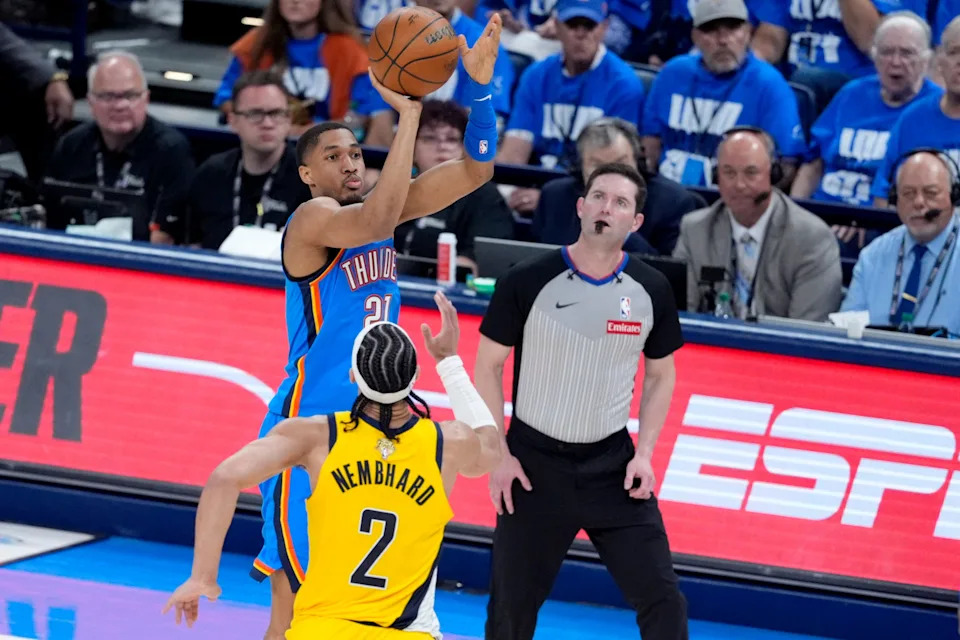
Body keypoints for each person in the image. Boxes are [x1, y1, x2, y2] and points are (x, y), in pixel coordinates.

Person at [245, 14, 502, 640]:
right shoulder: (313, 220)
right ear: (307, 173)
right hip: (309, 425)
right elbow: (378, 217)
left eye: (357, 153)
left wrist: (481, 92)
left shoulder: (378, 207)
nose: (350, 164)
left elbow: (477, 171)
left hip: (379, 424)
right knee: (297, 605)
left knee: (363, 605)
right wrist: (409, 116)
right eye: (334, 157)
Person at [163, 291, 502, 639]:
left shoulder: (314, 437)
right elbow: (491, 445)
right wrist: (448, 362)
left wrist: (202, 576)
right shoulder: (449, 443)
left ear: (353, 375)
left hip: (322, 630)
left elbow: (224, 478)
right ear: (414, 377)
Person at [475, 162, 689, 640]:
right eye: (597, 197)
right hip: (532, 467)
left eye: (619, 203)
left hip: (612, 469)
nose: (604, 209)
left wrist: (647, 454)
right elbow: (486, 367)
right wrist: (499, 457)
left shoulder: (652, 289)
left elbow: (660, 377)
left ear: (635, 223)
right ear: (580, 206)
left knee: (663, 599)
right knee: (510, 610)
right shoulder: (527, 279)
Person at [673, 127, 842, 321]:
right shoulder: (695, 230)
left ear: (774, 174)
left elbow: (806, 332)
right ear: (716, 176)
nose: (739, 184)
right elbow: (681, 318)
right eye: (728, 173)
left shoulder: (811, 238)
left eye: (751, 173)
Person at [841, 149, 960, 336]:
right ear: (894, 200)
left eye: (931, 193)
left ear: (954, 196)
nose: (919, 203)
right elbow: (847, 330)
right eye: (908, 194)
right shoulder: (873, 257)